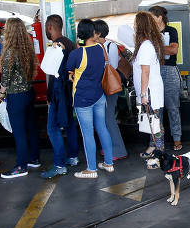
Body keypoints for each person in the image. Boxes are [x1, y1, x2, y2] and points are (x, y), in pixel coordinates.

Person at [66, 19, 114, 179]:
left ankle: (91, 169)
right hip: (99, 96)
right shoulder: (100, 49)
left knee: (87, 134)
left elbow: (69, 72)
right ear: (92, 33)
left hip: (83, 100)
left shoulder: (77, 54)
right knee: (102, 128)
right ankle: (108, 163)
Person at [0, 18, 40, 179]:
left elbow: (6, 78)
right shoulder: (26, 49)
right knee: (31, 127)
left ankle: (21, 166)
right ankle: (34, 158)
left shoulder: (10, 52)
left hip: (16, 96)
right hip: (29, 92)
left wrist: (2, 94)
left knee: (19, 132)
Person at [41, 15, 80, 179]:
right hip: (70, 92)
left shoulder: (58, 46)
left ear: (50, 27)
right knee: (70, 124)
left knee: (52, 128)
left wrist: (49, 96)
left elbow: (52, 74)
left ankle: (59, 165)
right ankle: (72, 156)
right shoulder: (70, 44)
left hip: (58, 93)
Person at [92, 19, 128, 160]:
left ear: (98, 33)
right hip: (101, 87)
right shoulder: (97, 46)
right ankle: (110, 146)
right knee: (105, 118)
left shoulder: (110, 46)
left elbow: (111, 68)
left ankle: (119, 150)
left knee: (108, 118)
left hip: (109, 87)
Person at [148, 6, 182, 150]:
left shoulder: (171, 31)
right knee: (156, 109)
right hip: (154, 71)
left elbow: (174, 50)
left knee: (173, 107)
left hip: (169, 71)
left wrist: (155, 47)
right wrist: (163, 48)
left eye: (152, 17)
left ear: (160, 17)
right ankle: (157, 142)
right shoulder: (149, 33)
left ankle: (177, 139)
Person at [132, 11, 165, 158]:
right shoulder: (147, 44)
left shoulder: (145, 46)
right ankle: (153, 148)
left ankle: (159, 155)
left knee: (155, 123)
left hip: (149, 91)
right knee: (153, 122)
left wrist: (144, 94)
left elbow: (145, 71)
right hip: (150, 90)